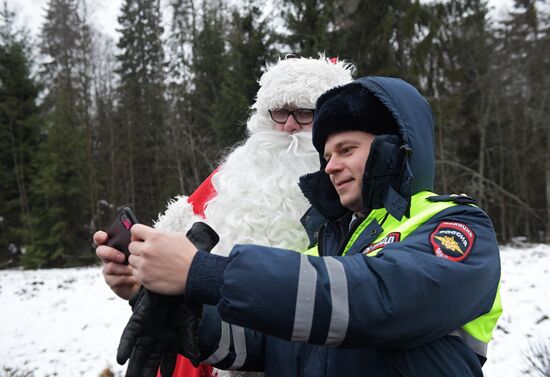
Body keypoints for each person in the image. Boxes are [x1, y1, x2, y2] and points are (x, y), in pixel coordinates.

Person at [113, 76, 503, 377]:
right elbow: (265, 341)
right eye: (327, 154)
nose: (330, 165)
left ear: (395, 147)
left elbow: (379, 299)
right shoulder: (324, 248)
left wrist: (204, 271)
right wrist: (179, 307)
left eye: (347, 150)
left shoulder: (455, 225)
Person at [94, 55, 355, 377]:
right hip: (203, 352)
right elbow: (169, 253)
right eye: (279, 112)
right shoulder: (229, 177)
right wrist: (136, 279)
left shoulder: (349, 192)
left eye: (304, 114)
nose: (288, 125)